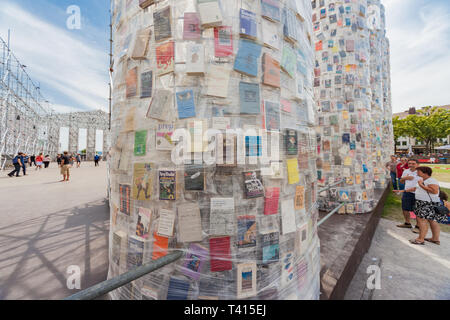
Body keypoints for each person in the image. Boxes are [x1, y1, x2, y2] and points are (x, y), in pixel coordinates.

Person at [410, 167, 445, 245]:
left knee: (422, 220)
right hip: (424, 202)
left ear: (425, 173)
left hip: (426, 203)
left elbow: (434, 191)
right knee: (432, 220)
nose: (417, 172)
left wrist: (420, 185)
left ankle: (420, 239)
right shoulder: (425, 180)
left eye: (418, 171)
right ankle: (435, 239)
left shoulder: (431, 180)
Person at [394, 159, 420, 231]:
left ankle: (418, 226)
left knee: (417, 210)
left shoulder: (420, 172)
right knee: (405, 208)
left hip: (418, 194)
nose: (411, 165)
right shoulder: (406, 171)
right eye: (409, 163)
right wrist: (406, 178)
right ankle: (407, 223)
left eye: (413, 163)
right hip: (407, 192)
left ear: (418, 164)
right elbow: (401, 182)